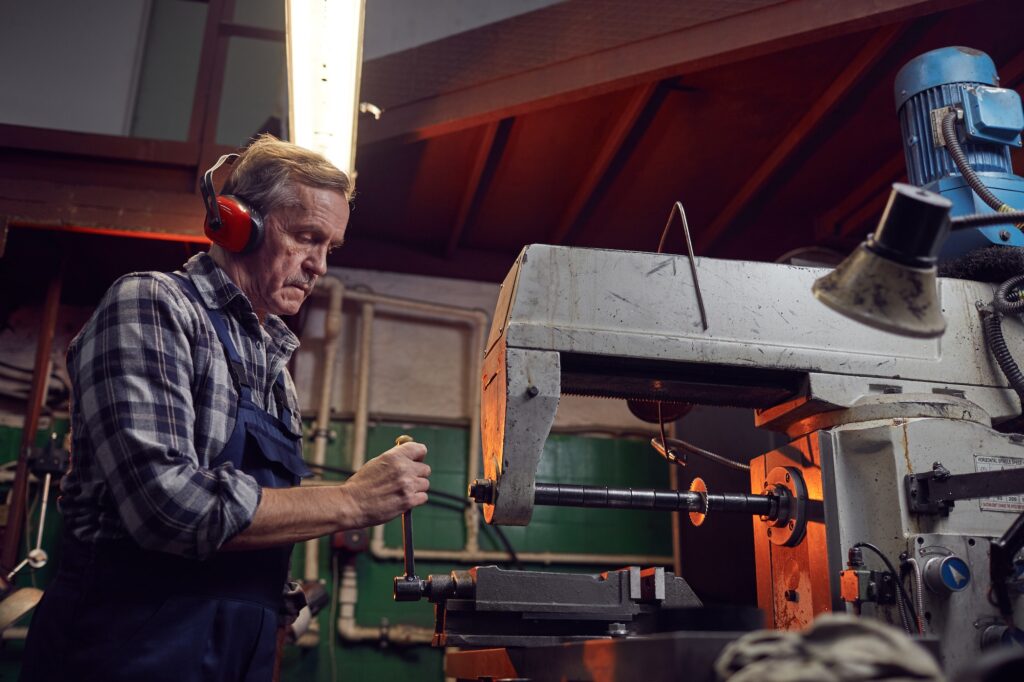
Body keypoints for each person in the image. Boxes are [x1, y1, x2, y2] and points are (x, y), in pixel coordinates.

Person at [20, 135, 432, 681]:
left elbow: (256, 523)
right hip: (127, 651)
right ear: (237, 222)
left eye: (330, 247)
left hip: (236, 659)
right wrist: (353, 501)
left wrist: (274, 602)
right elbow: (168, 507)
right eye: (307, 237)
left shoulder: (275, 367)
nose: (319, 266)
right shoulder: (154, 305)